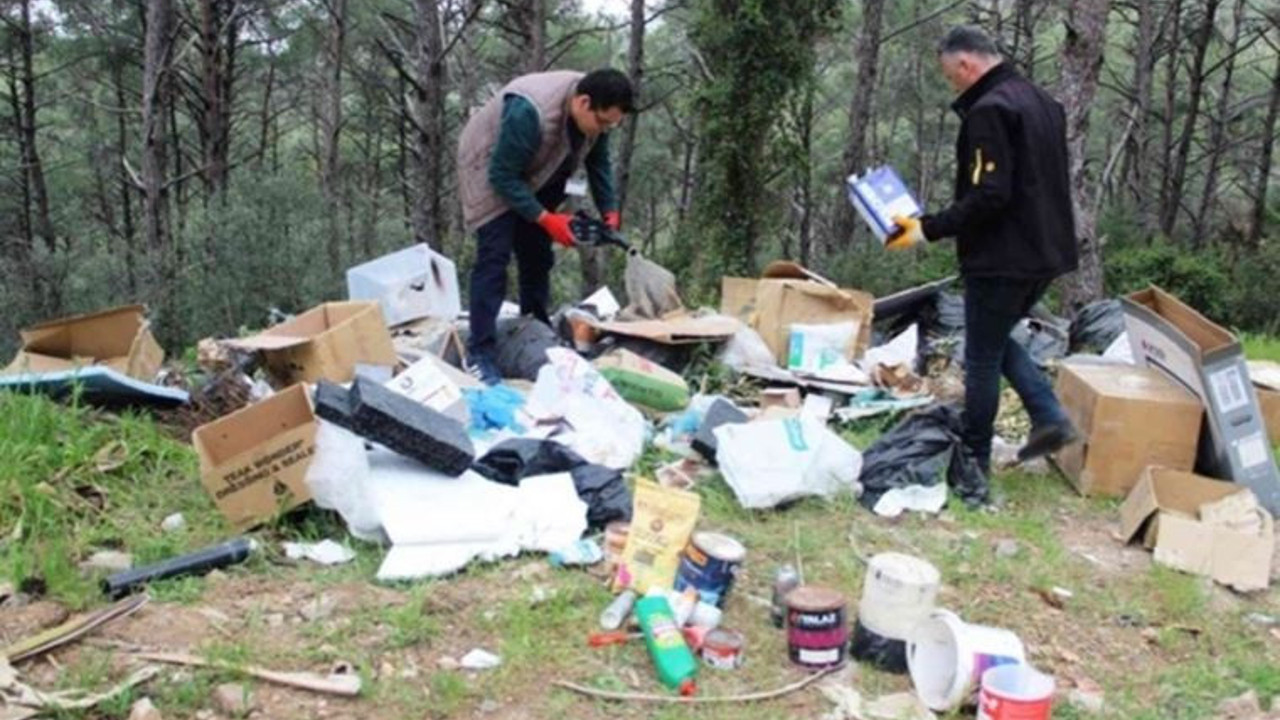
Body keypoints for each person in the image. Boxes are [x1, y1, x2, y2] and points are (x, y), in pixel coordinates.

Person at [888, 25, 1079, 480]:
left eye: (951, 76)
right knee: (990, 338)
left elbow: (990, 194)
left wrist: (925, 229)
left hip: (1005, 257)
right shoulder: (1041, 101)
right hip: (1046, 251)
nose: (952, 84)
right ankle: (1049, 417)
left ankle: (973, 462)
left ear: (965, 64)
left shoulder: (990, 110)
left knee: (980, 358)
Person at [457, 68, 634, 385]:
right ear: (583, 102)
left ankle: (535, 328)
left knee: (537, 253)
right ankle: (479, 352)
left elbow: (599, 162)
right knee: (494, 257)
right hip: (489, 167)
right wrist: (547, 218)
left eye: (611, 124)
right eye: (603, 122)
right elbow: (502, 176)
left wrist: (609, 210)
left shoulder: (595, 116)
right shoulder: (530, 112)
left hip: (540, 168)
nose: (604, 129)